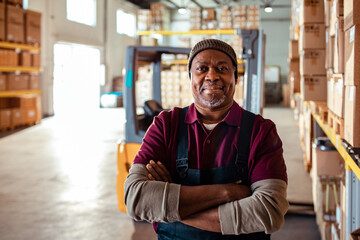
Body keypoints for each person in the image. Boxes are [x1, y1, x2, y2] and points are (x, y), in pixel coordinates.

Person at [124, 39, 288, 240]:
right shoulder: (166, 125)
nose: (212, 76)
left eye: (222, 68)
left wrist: (168, 208)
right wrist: (226, 193)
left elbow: (269, 211)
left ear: (235, 78)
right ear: (191, 77)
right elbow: (136, 199)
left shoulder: (260, 131)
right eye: (202, 68)